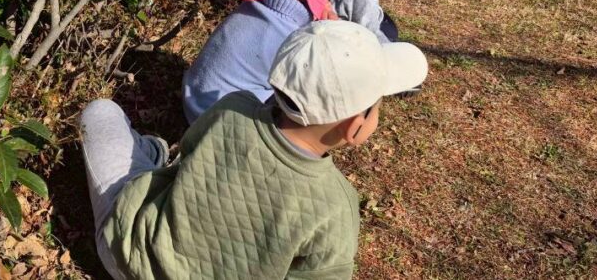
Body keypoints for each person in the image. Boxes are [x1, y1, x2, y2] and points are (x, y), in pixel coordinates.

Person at [80, 20, 430, 279]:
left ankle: (150, 153)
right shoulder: (337, 206)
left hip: (128, 257)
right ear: (355, 126)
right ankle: (151, 156)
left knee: (101, 112)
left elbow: (189, 154)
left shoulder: (233, 108)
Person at [181, 0, 336, 123]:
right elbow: (317, 84)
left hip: (195, 102)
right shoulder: (289, 37)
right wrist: (334, 32)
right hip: (217, 123)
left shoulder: (258, 9)